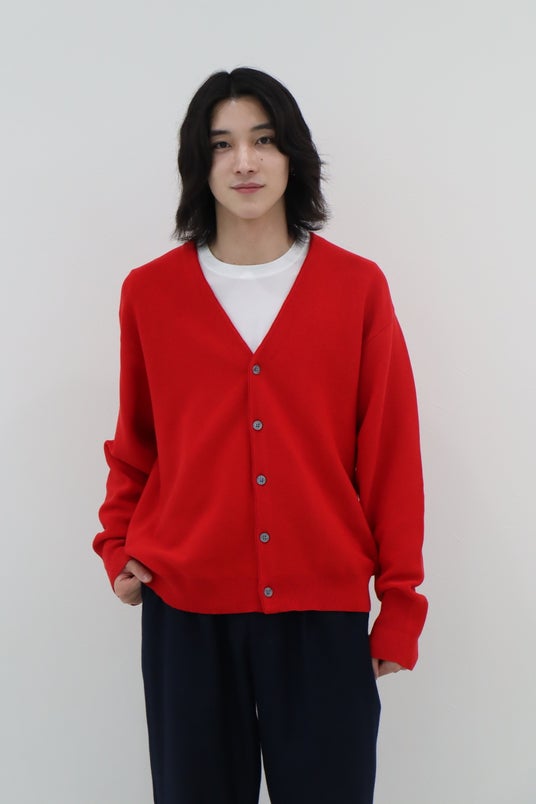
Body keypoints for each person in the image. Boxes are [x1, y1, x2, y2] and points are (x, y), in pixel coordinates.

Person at [93, 67, 427, 804]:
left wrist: (400, 601)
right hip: (186, 613)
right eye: (222, 144)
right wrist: (117, 546)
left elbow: (391, 453)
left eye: (264, 140)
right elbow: (137, 441)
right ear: (199, 163)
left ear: (291, 155)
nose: (244, 161)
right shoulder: (150, 293)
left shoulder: (356, 288)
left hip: (323, 613)